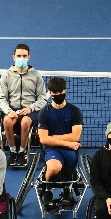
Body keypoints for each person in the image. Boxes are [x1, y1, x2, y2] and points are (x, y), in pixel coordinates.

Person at [0, 43, 48, 166]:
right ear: (13, 57)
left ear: (29, 57)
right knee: (7, 122)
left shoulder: (36, 75)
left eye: (24, 56)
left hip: (30, 112)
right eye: (19, 56)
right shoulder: (6, 75)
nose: (22, 58)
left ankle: (22, 152)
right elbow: (1, 98)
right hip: (12, 110)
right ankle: (13, 151)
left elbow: (43, 98)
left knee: (25, 122)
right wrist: (9, 111)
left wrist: (31, 108)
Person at [37, 76, 83, 210]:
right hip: (53, 150)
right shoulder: (44, 113)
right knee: (53, 168)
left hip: (69, 150)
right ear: (50, 93)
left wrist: (53, 138)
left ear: (65, 91)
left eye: (60, 92)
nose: (57, 95)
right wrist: (67, 143)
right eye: (54, 93)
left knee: (69, 169)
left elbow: (76, 136)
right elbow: (43, 139)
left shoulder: (74, 111)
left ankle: (67, 192)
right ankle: (48, 190)